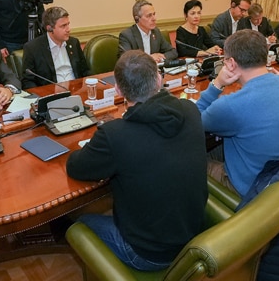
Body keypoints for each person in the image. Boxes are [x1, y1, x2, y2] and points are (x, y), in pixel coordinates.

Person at [66, 50, 207, 271]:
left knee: (79, 220)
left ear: (119, 90)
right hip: (194, 236)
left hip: (147, 255)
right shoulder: (190, 110)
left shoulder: (114, 134)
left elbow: (75, 167)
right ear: (159, 79)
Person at [197, 29, 279, 196]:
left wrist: (217, 83)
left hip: (249, 189)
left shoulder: (233, 106)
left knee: (185, 160)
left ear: (231, 64)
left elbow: (195, 119)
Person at [21, 6, 90, 89]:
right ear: (49, 28)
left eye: (68, 24)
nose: (68, 29)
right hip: (51, 94)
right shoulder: (33, 48)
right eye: (63, 26)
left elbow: (85, 71)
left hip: (75, 90)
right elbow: (27, 81)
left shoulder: (74, 43)